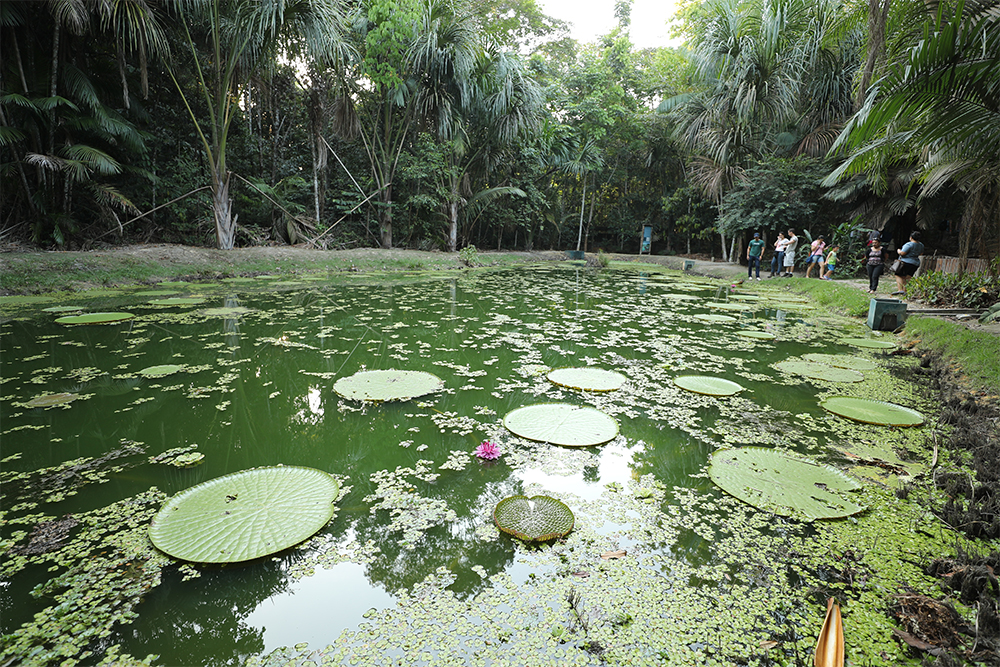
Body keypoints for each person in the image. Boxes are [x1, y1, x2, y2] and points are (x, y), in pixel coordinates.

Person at [893, 231, 925, 295]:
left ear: (911, 237)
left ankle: (900, 290)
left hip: (905, 262)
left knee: (898, 275)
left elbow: (903, 253)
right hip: (915, 263)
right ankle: (905, 290)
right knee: (908, 276)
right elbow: (921, 253)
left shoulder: (909, 244)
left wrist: (898, 251)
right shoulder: (921, 245)